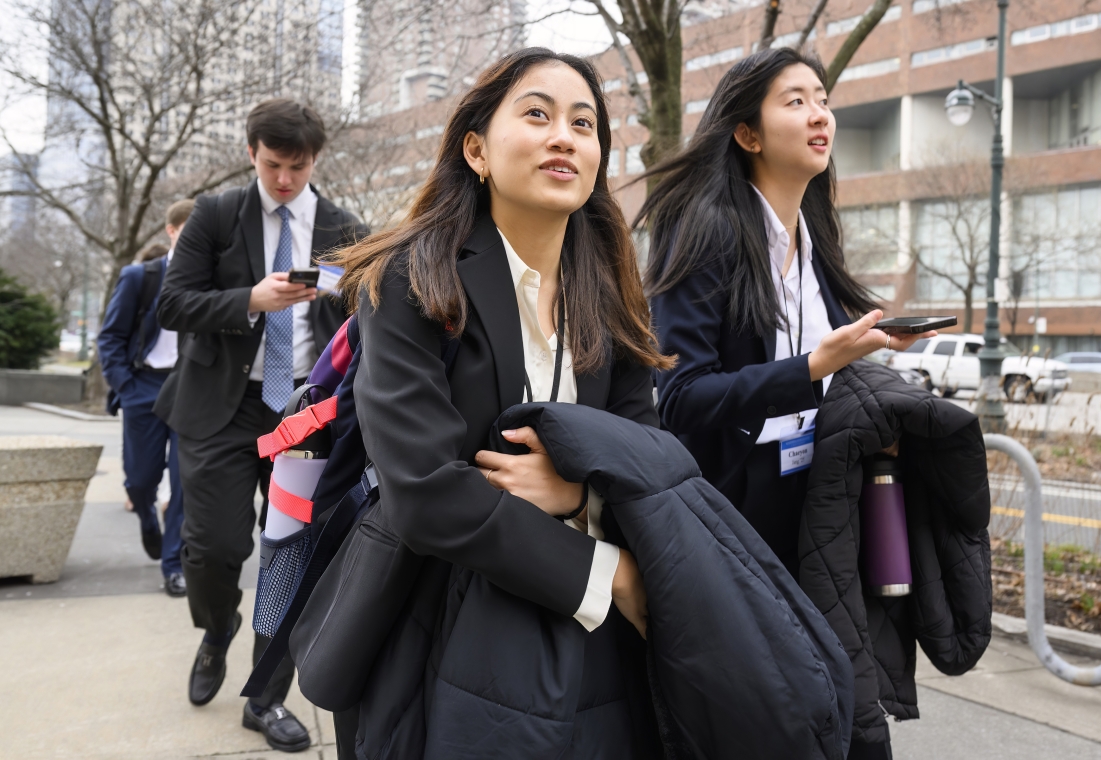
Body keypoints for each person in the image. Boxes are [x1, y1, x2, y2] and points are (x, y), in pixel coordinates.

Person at [330, 48, 673, 758]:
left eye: (584, 124)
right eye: (538, 114)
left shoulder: (608, 293)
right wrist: (606, 574)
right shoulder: (411, 279)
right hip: (435, 624)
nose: (564, 137)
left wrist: (576, 492)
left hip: (590, 651)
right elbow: (425, 492)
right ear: (477, 150)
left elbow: (650, 454)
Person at [641, 48, 936, 760]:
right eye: (795, 100)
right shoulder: (705, 226)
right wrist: (810, 367)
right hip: (736, 520)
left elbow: (830, 374)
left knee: (843, 717)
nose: (819, 114)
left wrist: (860, 373)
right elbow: (678, 399)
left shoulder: (813, 235)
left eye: (823, 98)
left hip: (819, 509)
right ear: (747, 132)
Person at [154, 98, 367, 752]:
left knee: (291, 561)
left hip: (303, 414)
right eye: (273, 165)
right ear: (252, 153)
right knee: (214, 549)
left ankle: (265, 696)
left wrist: (337, 284)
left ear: (315, 160)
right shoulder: (217, 215)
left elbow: (368, 302)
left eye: (297, 167)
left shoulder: (341, 224)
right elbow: (173, 302)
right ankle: (217, 631)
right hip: (220, 409)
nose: (284, 180)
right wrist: (251, 299)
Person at [98, 200, 195, 597]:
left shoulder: (211, 280)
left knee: (185, 481)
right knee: (140, 481)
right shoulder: (140, 277)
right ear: (172, 231)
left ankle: (174, 565)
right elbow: (110, 336)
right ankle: (147, 520)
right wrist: (126, 385)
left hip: (191, 390)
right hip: (145, 387)